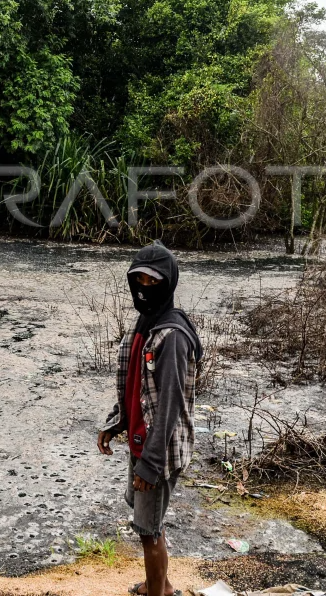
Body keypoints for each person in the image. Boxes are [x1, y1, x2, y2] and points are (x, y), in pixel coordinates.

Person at [98, 241, 202, 596]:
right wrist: (117, 423)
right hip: (141, 441)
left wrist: (151, 464)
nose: (144, 288)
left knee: (148, 530)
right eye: (139, 280)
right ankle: (160, 583)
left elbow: (170, 405)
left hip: (158, 450)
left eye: (153, 281)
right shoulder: (146, 323)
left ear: (168, 283)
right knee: (149, 521)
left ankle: (159, 591)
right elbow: (135, 387)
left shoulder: (172, 337)